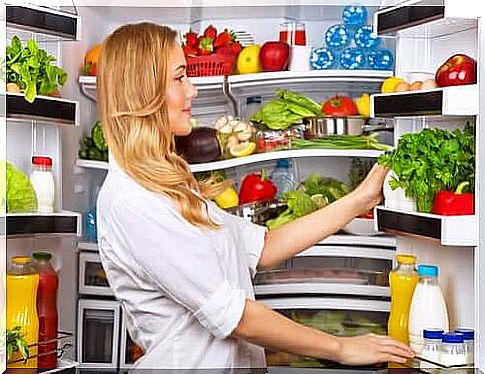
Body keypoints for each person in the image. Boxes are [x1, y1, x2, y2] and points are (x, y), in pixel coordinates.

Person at [96, 22, 414, 370]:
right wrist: (340, 348)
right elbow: (236, 317)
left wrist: (359, 199)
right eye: (179, 78)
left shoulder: (168, 183)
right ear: (145, 92)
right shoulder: (134, 201)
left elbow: (262, 248)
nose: (193, 91)